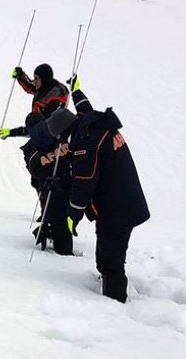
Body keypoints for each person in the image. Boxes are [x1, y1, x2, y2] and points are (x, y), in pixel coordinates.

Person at [51, 77, 150, 303]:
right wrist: (76, 91)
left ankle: (114, 305)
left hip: (117, 207)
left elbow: (83, 183)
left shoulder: (85, 144)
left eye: (62, 138)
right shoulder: (92, 123)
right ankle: (109, 283)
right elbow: (84, 107)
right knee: (106, 248)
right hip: (126, 199)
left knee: (110, 260)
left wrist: (72, 216)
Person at [0, 111, 76, 256]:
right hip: (50, 188)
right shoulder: (31, 147)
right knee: (59, 220)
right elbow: (34, 168)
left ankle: (59, 245)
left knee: (63, 219)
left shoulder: (60, 136)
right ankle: (62, 252)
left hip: (66, 185)